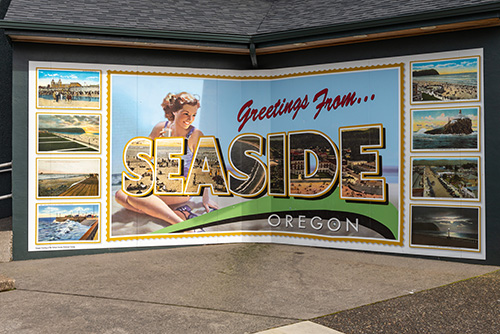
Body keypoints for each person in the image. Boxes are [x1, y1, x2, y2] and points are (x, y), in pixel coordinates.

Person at [115, 92, 218, 226]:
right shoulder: (160, 128)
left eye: (193, 115)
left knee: (135, 196)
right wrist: (159, 144)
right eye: (186, 113)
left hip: (182, 187)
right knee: (120, 194)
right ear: (174, 111)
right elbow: (144, 157)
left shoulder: (196, 135)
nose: (190, 119)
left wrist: (205, 199)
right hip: (160, 182)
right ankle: (168, 211)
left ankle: (180, 223)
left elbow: (205, 169)